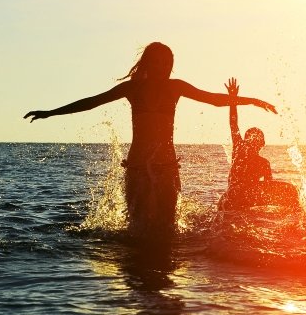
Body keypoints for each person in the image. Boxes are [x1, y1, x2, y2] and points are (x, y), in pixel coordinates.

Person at [24, 42, 277, 239]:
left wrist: (252, 100)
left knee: (166, 229)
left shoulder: (175, 87)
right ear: (148, 63)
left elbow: (213, 99)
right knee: (136, 228)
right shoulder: (132, 89)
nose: (164, 67)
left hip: (167, 166)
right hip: (136, 167)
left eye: (168, 62)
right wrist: (51, 112)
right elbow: (92, 102)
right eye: (159, 62)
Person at [218, 78, 300, 212]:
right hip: (233, 197)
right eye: (251, 140)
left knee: (291, 190)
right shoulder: (239, 149)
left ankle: (295, 216)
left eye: (256, 141)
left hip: (248, 197)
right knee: (236, 193)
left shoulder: (263, 163)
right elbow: (233, 123)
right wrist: (233, 100)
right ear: (245, 141)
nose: (253, 144)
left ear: (262, 144)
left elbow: (268, 188)